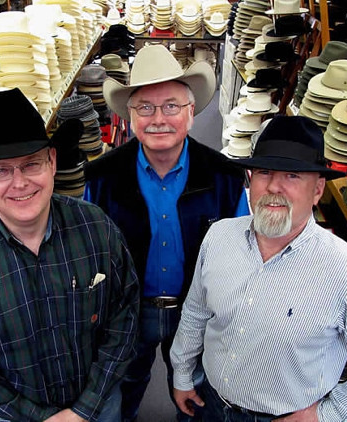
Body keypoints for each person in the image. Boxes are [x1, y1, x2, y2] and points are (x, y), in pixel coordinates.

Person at [170, 115, 347, 422]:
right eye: (265, 172)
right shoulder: (219, 237)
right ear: (250, 180)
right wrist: (183, 376)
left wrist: (325, 415)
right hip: (211, 403)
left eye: (293, 175)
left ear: (317, 190)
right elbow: (196, 312)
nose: (274, 186)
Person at [0, 88, 140, 422]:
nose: (19, 183)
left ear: (53, 162)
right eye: (0, 170)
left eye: (31, 164)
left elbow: (124, 317)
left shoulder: (97, 229)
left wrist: (83, 409)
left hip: (98, 409)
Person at [83, 44, 250, 422]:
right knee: (122, 394)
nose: (159, 118)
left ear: (191, 114)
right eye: (146, 107)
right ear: (130, 116)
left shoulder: (225, 177)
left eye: (171, 106)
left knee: (197, 397)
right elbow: (88, 250)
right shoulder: (101, 178)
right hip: (127, 314)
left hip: (198, 316)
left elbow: (241, 255)